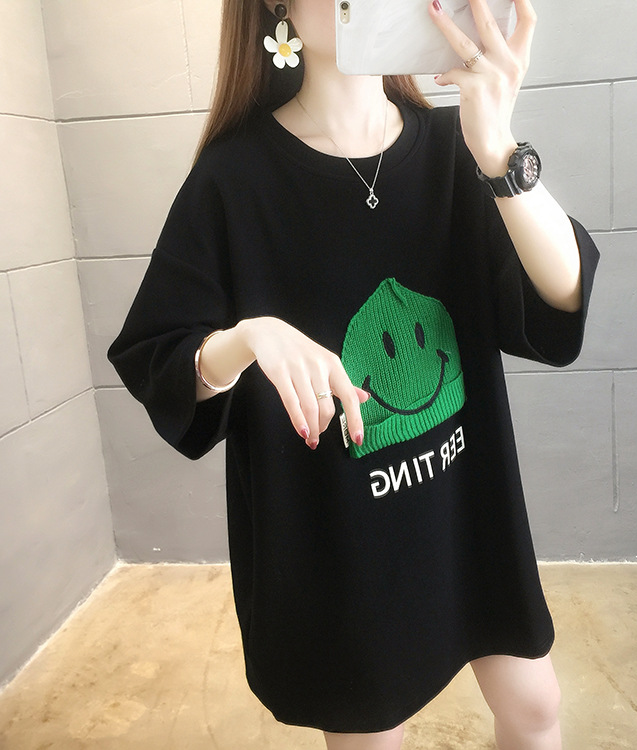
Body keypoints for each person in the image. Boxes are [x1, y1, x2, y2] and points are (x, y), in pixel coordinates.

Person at [109, 0, 599, 746]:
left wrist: (500, 149)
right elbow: (157, 357)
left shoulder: (453, 147)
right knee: (374, 731)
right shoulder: (234, 178)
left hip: (468, 510)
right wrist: (246, 340)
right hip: (339, 544)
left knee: (535, 709)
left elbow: (561, 298)